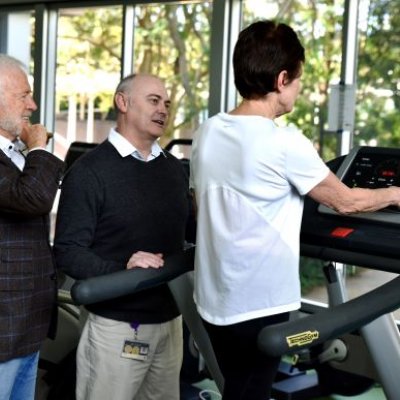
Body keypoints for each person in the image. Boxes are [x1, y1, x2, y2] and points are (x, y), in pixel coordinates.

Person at [189, 20, 400, 400]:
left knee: (238, 385)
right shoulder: (284, 142)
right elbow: (346, 200)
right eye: (299, 78)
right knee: (251, 389)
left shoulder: (208, 131)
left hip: (214, 302)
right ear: (282, 78)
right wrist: (394, 193)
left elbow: (200, 202)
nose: (299, 89)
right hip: (259, 306)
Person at [53, 73, 190, 400]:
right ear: (123, 102)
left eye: (167, 103)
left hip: (170, 322)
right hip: (116, 326)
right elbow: (68, 251)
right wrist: (121, 267)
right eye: (154, 101)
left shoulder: (174, 170)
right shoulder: (88, 172)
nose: (163, 110)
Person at [0, 54, 64, 400]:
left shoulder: (15, 153)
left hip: (27, 325)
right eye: (23, 95)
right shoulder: (28, 151)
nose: (33, 104)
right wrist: (39, 147)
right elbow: (33, 199)